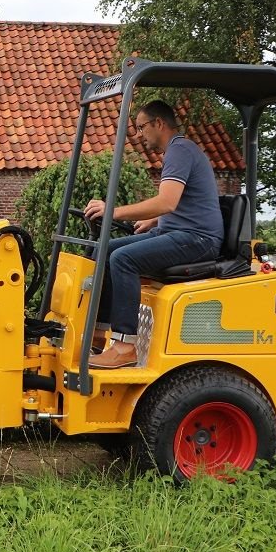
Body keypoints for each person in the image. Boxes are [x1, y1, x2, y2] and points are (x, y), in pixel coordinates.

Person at [82, 101, 224, 369]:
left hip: (198, 240)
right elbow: (186, 201)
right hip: (179, 232)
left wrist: (112, 211)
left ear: (159, 124)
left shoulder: (180, 150)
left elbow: (167, 201)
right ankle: (99, 338)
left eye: (141, 127)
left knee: (123, 259)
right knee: (103, 249)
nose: (138, 134)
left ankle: (124, 347)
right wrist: (154, 219)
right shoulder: (180, 151)